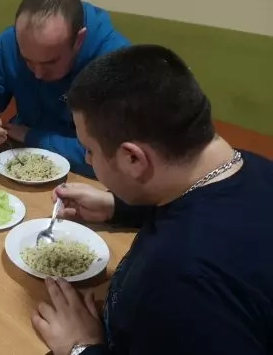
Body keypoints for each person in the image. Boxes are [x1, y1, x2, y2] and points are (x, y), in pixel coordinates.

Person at [32, 45, 273, 355]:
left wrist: (81, 347)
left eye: (89, 149)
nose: (88, 159)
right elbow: (199, 206)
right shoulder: (246, 166)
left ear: (133, 158)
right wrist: (117, 207)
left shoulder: (181, 282)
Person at [0, 0, 129, 177]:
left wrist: (32, 137)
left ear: (79, 40)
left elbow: (114, 157)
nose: (38, 74)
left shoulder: (116, 62)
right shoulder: (9, 41)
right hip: (18, 157)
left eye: (50, 62)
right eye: (27, 60)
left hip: (84, 176)